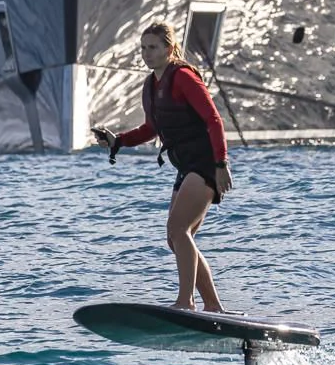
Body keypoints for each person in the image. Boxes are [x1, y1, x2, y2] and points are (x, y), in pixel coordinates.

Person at [92, 22, 235, 313]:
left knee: (178, 229)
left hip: (205, 162)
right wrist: (117, 141)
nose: (146, 53)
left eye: (153, 47)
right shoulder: (151, 84)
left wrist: (221, 164)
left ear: (169, 49)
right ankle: (213, 306)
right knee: (177, 238)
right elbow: (151, 129)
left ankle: (186, 302)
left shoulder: (182, 77)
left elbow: (214, 120)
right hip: (185, 166)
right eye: (143, 48)